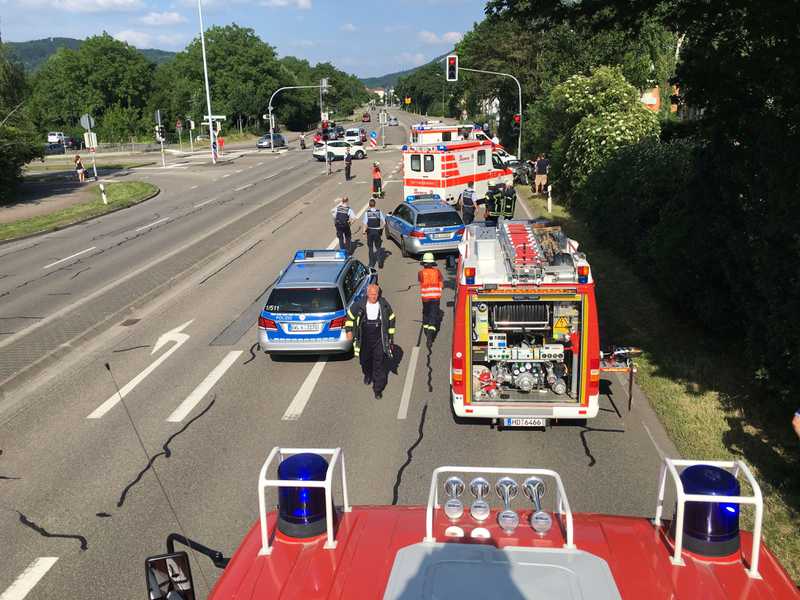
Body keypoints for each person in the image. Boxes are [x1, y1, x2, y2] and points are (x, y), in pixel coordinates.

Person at [345, 284, 396, 399]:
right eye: (372, 294)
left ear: (378, 294)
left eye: (376, 294)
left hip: (379, 338)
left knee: (379, 363)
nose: (374, 296)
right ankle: (368, 374)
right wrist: (348, 331)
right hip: (364, 338)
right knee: (365, 360)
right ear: (367, 294)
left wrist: (390, 336)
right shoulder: (359, 304)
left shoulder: (383, 304)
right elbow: (349, 317)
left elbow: (392, 318)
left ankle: (378, 389)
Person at [418, 252, 443, 346]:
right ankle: (430, 336)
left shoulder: (420, 273)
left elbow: (421, 282)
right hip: (436, 298)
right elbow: (441, 283)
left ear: (424, 263)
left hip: (425, 298)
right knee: (433, 316)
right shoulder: (438, 272)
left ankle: (426, 331)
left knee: (426, 314)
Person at [362, 197, 386, 268]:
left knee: (370, 248)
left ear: (369, 205)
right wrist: (381, 229)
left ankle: (371, 264)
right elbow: (384, 222)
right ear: (375, 204)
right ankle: (380, 263)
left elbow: (365, 224)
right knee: (378, 248)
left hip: (370, 232)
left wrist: (364, 232)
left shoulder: (367, 213)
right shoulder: (379, 212)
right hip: (377, 231)